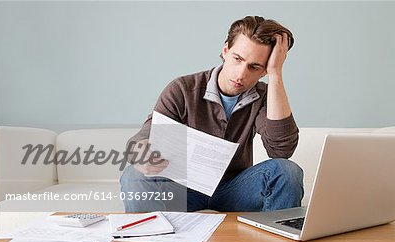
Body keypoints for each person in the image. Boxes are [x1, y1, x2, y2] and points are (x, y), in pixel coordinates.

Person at [120, 15, 304, 212]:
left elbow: (281, 152)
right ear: (225, 51)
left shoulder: (265, 96)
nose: (241, 74)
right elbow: (143, 138)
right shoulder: (183, 89)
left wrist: (276, 74)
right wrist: (142, 155)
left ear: (264, 70)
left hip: (233, 191)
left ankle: (276, 240)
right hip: (183, 190)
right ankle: (152, 240)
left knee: (287, 171)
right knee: (134, 175)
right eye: (237, 59)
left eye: (254, 67)